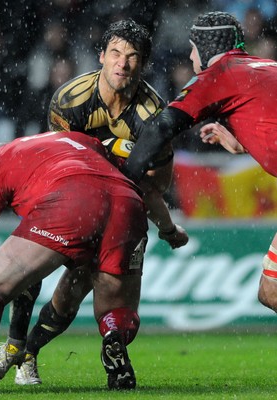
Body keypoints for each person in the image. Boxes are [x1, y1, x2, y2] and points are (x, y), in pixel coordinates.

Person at [0, 18, 189, 386]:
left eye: (132, 56)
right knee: (34, 266)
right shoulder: (69, 100)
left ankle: (26, 350)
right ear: (101, 56)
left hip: (120, 209)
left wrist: (166, 226)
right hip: (69, 199)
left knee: (71, 295)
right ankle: (14, 346)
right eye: (115, 54)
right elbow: (55, 161)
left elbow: (155, 185)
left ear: (143, 64)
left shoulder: (153, 119)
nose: (122, 63)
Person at [0, 130, 149, 393]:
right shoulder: (74, 138)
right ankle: (114, 336)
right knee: (115, 308)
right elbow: (121, 160)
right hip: (128, 202)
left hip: (71, 200)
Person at [121, 11, 277, 328]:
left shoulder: (218, 74)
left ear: (205, 48)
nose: (192, 57)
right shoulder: (267, 67)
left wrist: (124, 184)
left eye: (193, 49)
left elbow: (162, 127)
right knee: (270, 290)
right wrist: (244, 143)